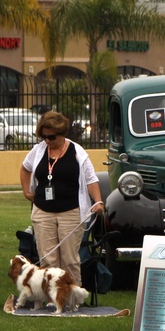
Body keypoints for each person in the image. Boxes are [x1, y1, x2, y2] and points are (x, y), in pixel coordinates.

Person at [19, 111, 104, 286]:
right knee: (47, 258)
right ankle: (52, 296)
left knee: (69, 259)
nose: (47, 141)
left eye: (51, 137)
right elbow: (25, 168)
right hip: (43, 210)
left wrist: (98, 201)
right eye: (44, 137)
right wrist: (27, 192)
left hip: (71, 211)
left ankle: (72, 297)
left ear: (62, 133)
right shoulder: (39, 150)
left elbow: (91, 179)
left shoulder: (77, 152)